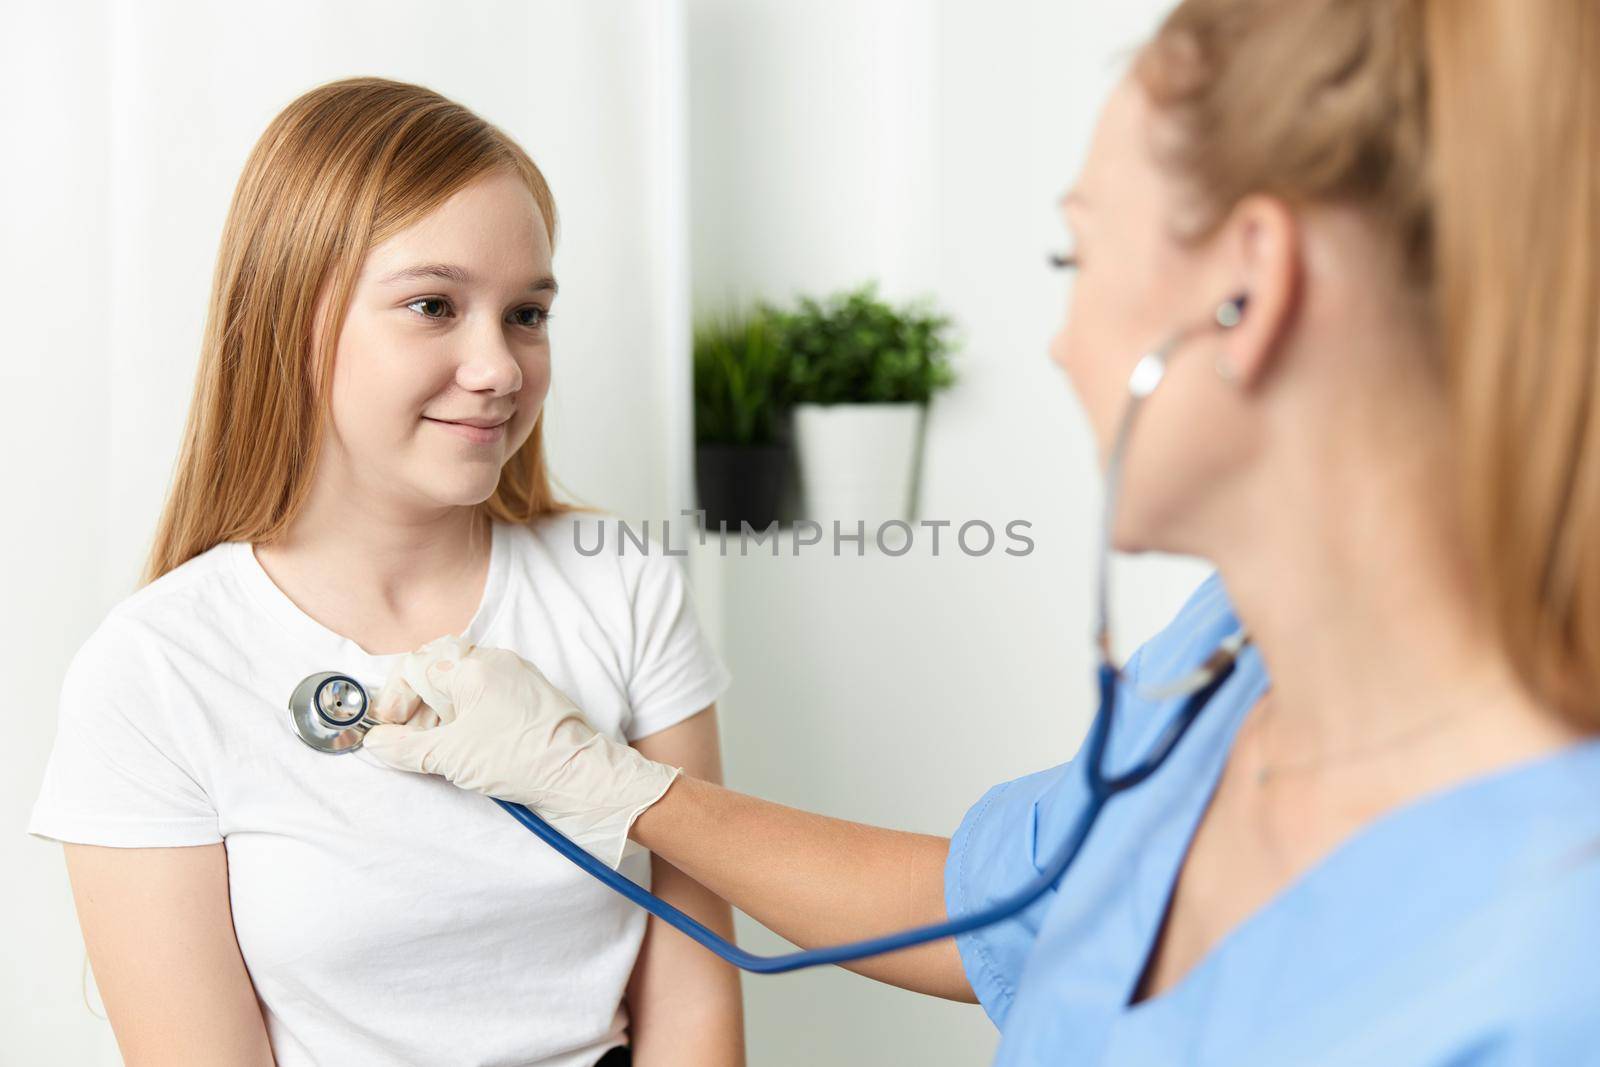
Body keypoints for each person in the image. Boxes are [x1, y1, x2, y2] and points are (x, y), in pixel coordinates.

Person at [358, 2, 1600, 1063]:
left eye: (1076, 252)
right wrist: (610, 783)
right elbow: (991, 907)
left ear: (1249, 290)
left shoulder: (1550, 946)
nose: (1060, 342)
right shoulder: (1224, 665)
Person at [28, 77, 744, 1067]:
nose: (498, 366)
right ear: (293, 315)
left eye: (527, 313)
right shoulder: (156, 668)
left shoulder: (618, 585)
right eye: (433, 304)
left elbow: (695, 996)